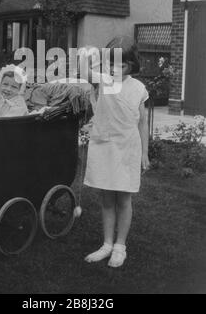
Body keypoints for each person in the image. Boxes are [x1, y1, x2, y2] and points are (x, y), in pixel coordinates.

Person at [82, 36, 149, 268]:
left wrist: (145, 154)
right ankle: (107, 244)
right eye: (110, 63)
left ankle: (121, 246)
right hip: (105, 145)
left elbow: (142, 123)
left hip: (127, 148)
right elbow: (86, 73)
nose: (114, 68)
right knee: (107, 198)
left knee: (124, 198)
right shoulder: (103, 80)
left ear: (131, 64)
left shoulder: (139, 88)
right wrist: (89, 55)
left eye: (121, 64)